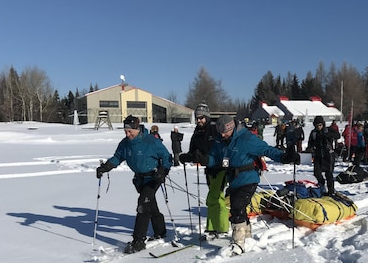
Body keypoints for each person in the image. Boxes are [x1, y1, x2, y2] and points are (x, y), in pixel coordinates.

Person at [182, 115, 299, 255]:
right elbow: (215, 158)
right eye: (220, 133)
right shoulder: (220, 140)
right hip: (234, 179)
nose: (222, 135)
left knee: (237, 208)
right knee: (239, 208)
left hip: (249, 178)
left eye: (224, 132)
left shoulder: (246, 139)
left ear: (231, 128)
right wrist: (204, 159)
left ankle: (238, 243)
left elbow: (267, 150)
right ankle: (248, 238)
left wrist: (284, 157)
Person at [95, 115, 172, 254]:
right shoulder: (125, 143)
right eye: (125, 131)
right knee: (150, 205)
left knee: (143, 205)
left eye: (130, 131)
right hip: (139, 179)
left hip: (153, 178)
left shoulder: (150, 141)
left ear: (137, 129)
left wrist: (163, 170)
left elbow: (166, 156)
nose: (127, 134)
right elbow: (118, 157)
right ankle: (160, 231)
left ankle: (138, 240)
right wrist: (105, 167)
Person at [179, 103, 228, 240]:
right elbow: (194, 152)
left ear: (207, 117)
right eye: (197, 117)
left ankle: (222, 227)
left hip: (221, 168)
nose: (199, 120)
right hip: (209, 170)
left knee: (216, 198)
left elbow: (223, 149)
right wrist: (187, 157)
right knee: (214, 198)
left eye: (201, 117)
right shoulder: (197, 132)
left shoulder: (214, 129)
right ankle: (212, 227)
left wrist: (207, 158)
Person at [306, 116, 340, 195]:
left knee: (329, 174)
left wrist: (328, 135)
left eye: (320, 125)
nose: (318, 127)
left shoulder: (328, 130)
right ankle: (322, 186)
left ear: (323, 124)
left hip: (328, 155)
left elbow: (338, 135)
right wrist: (310, 148)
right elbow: (310, 143)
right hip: (318, 155)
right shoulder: (313, 133)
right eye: (317, 125)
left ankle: (331, 191)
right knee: (317, 173)